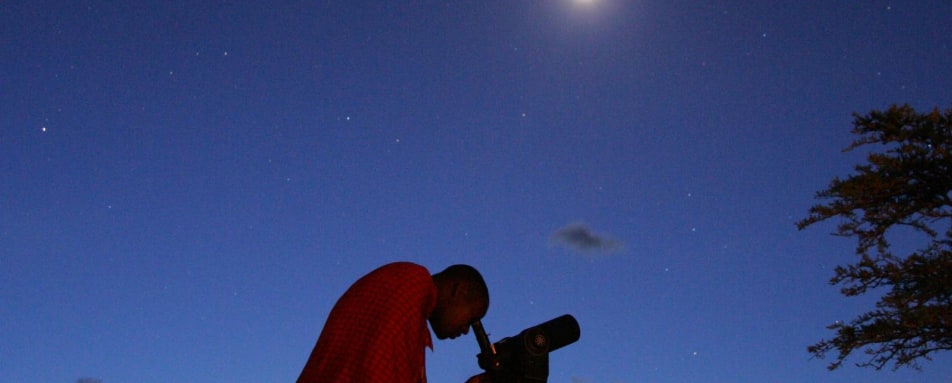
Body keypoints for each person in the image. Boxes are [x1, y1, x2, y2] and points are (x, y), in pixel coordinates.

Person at [296, 261, 491, 383]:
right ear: (461, 290)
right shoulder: (412, 283)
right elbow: (375, 373)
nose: (466, 330)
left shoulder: (413, 308)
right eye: (472, 318)